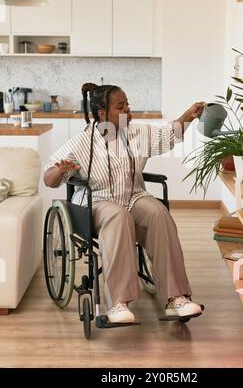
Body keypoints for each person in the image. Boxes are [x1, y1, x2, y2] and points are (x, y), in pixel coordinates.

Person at [44, 83, 205, 324]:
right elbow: (49, 179)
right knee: (118, 216)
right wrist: (60, 171)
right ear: (102, 114)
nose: (129, 110)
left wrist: (188, 115)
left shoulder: (136, 133)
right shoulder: (81, 143)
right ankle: (118, 304)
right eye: (121, 106)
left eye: (127, 104)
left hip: (133, 197)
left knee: (158, 213)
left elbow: (170, 133)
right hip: (96, 202)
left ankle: (176, 299)